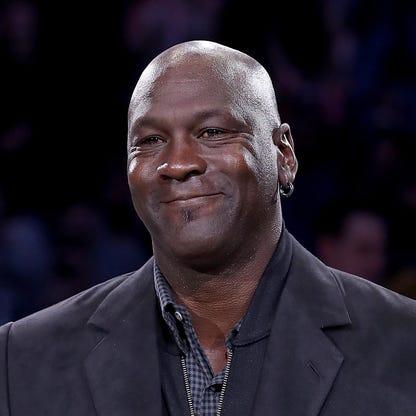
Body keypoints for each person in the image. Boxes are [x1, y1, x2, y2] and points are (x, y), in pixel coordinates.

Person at [0, 41, 415, 416]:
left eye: (212, 132)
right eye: (149, 141)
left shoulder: (403, 344)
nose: (177, 163)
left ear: (284, 156)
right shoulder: (20, 359)